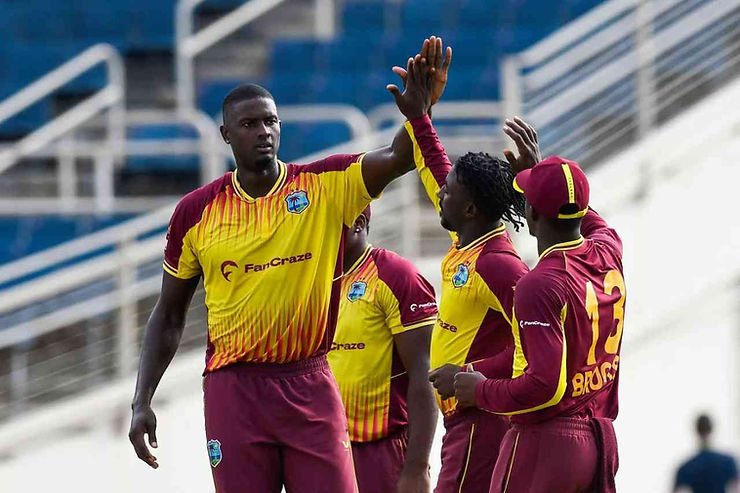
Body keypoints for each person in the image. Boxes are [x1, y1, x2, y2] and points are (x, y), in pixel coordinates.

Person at [128, 46, 439, 492]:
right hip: (235, 388)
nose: (263, 132)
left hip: (308, 380)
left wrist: (420, 114)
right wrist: (142, 400)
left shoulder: (326, 186)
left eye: (270, 121)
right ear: (225, 134)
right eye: (249, 124)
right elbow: (170, 314)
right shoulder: (195, 213)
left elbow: (399, 158)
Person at [453, 119, 626, 493]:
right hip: (599, 440)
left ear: (530, 217)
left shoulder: (539, 283)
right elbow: (588, 218)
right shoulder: (608, 250)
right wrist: (540, 173)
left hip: (547, 442)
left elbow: (544, 386)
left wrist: (479, 390)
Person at [402, 47, 532, 491]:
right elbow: (439, 170)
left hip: (484, 420)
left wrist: (470, 373)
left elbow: (539, 342)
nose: (440, 194)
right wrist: (421, 117)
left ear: (471, 207)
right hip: (464, 419)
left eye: (449, 193)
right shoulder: (469, 240)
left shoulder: (499, 265)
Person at [328, 205, 438, 493]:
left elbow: (423, 372)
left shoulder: (396, 275)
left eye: (325, 223)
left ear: (358, 223)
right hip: (323, 449)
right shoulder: (309, 280)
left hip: (380, 451)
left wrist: (417, 468)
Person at [674, 414, 739, 493]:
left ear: (696, 431)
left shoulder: (687, 467)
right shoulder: (728, 462)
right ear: (711, 429)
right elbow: (735, 488)